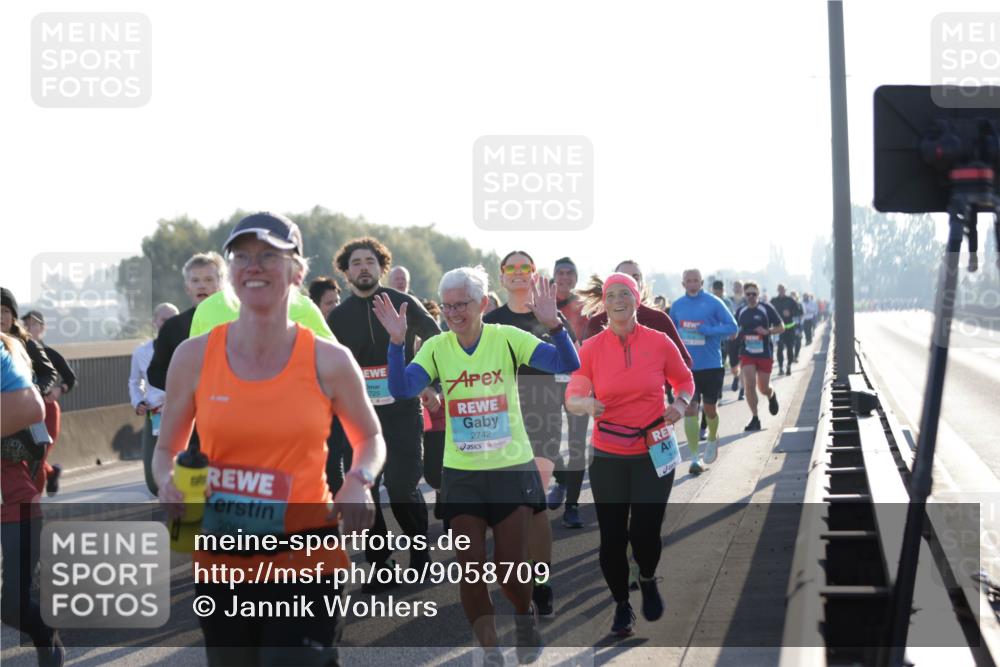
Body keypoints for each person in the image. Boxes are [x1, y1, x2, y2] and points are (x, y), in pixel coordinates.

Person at [154, 212, 386, 666]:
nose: (253, 266)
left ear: (297, 272)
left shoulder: (329, 360)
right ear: (230, 274)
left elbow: (370, 435)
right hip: (223, 560)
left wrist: (359, 478)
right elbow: (168, 449)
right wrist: (167, 481)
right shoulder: (193, 356)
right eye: (242, 257)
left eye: (268, 257)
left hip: (307, 556)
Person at [375, 265, 579, 663]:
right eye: (447, 306)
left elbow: (565, 364)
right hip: (462, 474)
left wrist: (554, 325)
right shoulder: (437, 347)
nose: (453, 313)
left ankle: (524, 617)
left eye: (462, 304)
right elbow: (401, 388)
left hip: (511, 469)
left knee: (509, 572)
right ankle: (489, 650)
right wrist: (397, 344)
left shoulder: (506, 339)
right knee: (470, 571)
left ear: (483, 303)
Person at [565, 273, 694, 638]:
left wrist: (681, 404)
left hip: (654, 449)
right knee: (612, 536)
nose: (618, 300)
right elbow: (573, 395)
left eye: (625, 293)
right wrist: (585, 402)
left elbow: (684, 381)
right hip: (609, 454)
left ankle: (648, 576)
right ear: (603, 303)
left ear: (637, 300)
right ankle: (622, 605)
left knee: (645, 532)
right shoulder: (590, 348)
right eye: (611, 295)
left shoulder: (660, 342)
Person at [328, 238, 441, 587]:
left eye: (370, 261)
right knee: (369, 488)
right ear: (346, 273)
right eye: (356, 263)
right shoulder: (339, 316)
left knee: (403, 485)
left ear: (382, 268)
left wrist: (428, 384)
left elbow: (435, 341)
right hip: (359, 415)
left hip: (402, 410)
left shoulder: (403, 303)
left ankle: (420, 553)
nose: (364, 267)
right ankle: (382, 564)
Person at [483, 250, 578, 616]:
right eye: (512, 268)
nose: (519, 273)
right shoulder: (489, 321)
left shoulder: (550, 316)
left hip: (542, 420)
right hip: (499, 423)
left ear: (535, 275)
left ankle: (541, 580)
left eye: (526, 267)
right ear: (503, 277)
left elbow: (572, 364)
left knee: (534, 503)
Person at [1, 335, 64, 667]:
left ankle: (45, 634)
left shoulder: (12, 368)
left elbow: (35, 417)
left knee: (12, 605)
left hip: (15, 505)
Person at [669, 270, 737, 473]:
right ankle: (694, 459)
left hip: (712, 365)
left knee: (710, 410)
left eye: (695, 281)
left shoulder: (714, 302)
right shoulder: (677, 306)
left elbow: (733, 327)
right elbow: (670, 334)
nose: (692, 284)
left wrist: (710, 331)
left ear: (701, 282)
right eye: (688, 281)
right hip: (688, 368)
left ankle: (712, 439)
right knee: (690, 409)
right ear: (683, 283)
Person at [545, 257, 590, 529]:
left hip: (579, 381)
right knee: (547, 442)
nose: (564, 277)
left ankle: (572, 506)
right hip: (546, 382)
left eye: (569, 273)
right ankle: (562, 479)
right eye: (559, 273)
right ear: (553, 276)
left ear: (575, 278)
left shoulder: (584, 306)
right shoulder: (541, 303)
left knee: (576, 444)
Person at [2, 289, 59, 495]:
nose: (1, 316)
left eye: (5, 311)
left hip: (29, 413)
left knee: (36, 460)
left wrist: (34, 389)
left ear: (13, 315)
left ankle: (32, 505)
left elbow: (49, 372)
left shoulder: (27, 343)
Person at [583, 261, 692, 369]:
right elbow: (585, 368)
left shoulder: (659, 320)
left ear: (642, 283)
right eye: (623, 276)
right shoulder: (597, 323)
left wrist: (657, 380)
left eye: (635, 277)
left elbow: (684, 362)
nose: (629, 281)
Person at [21, 310, 77, 496]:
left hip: (48, 410)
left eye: (34, 324)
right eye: (26, 324)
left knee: (39, 454)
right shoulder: (16, 352)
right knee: (28, 456)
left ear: (42, 328)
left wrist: (59, 390)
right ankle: (52, 473)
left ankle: (33, 503)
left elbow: (70, 378)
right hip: (24, 410)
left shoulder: (50, 354)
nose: (29, 328)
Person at [129, 302, 180, 495]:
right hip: (155, 415)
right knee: (153, 482)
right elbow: (134, 382)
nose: (168, 324)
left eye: (173, 320)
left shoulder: (189, 348)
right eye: (164, 320)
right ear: (155, 322)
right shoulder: (141, 352)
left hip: (184, 414)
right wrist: (138, 401)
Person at [734, 282, 785, 431]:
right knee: (749, 384)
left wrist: (767, 331)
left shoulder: (766, 308)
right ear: (744, 294)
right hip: (747, 353)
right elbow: (734, 331)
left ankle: (771, 394)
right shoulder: (741, 311)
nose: (751, 297)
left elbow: (781, 327)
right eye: (748, 294)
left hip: (764, 353)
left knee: (763, 388)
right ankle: (755, 418)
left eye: (753, 294)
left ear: (758, 295)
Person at [769, 284, 802, 377]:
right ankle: (780, 368)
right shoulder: (773, 301)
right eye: (779, 289)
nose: (781, 291)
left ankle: (788, 366)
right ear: (777, 290)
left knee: (790, 348)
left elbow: (799, 312)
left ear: (785, 290)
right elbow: (768, 312)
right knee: (779, 349)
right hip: (778, 329)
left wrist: (790, 312)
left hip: (789, 328)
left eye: (783, 289)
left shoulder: (790, 300)